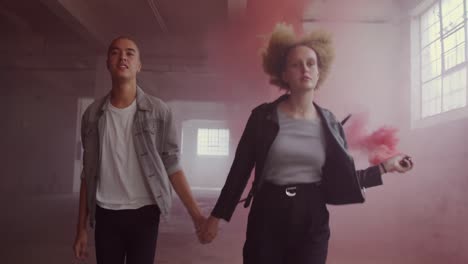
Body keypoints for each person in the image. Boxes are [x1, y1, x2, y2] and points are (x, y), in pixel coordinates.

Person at [200, 23, 414, 264]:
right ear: (284, 75)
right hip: (267, 213)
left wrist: (386, 166)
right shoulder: (262, 116)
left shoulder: (331, 123)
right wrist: (217, 216)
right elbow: (240, 169)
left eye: (311, 63)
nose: (305, 69)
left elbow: (343, 178)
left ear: (319, 71)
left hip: (312, 215)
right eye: (296, 64)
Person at [72, 36, 206, 264]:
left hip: (145, 213)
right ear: (107, 62)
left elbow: (172, 165)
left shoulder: (159, 111)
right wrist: (81, 229)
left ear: (139, 65)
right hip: (106, 213)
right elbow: (88, 173)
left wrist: (197, 216)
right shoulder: (92, 115)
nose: (123, 56)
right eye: (115, 52)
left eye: (130, 53)